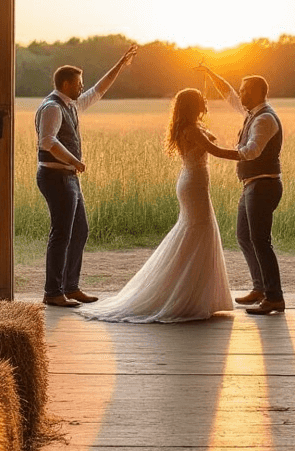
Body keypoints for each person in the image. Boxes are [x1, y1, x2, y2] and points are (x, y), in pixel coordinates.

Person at [80, 88, 235, 323]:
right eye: (201, 102)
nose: (205, 103)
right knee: (199, 231)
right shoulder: (192, 129)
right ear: (194, 106)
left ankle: (196, 294)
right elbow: (217, 150)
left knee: (197, 231)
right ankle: (187, 296)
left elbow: (208, 141)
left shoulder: (189, 127)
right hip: (194, 184)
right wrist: (246, 155)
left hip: (192, 182)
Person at [35, 46, 137, 307]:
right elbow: (47, 141)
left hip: (68, 178)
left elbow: (99, 91)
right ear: (67, 84)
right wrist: (75, 161)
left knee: (79, 230)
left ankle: (71, 287)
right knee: (62, 234)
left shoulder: (71, 104)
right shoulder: (52, 107)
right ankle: (53, 292)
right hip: (56, 177)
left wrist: (120, 65)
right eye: (79, 83)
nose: (83, 87)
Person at [200, 65, 285, 316]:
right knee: (244, 237)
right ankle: (260, 288)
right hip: (252, 185)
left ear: (259, 92)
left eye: (245, 90)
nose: (241, 94)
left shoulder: (265, 118)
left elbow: (251, 151)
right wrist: (211, 73)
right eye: (241, 89)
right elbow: (229, 95)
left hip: (263, 185)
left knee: (260, 241)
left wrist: (215, 151)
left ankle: (274, 297)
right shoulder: (252, 113)